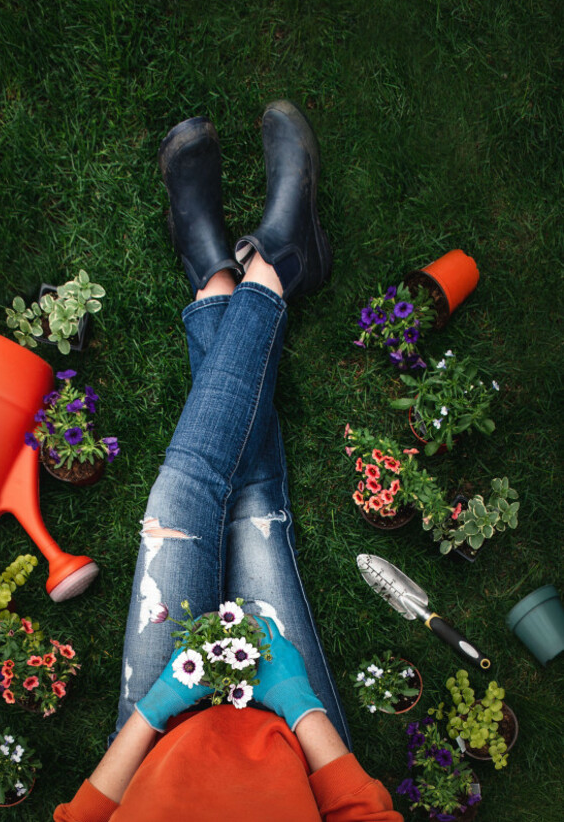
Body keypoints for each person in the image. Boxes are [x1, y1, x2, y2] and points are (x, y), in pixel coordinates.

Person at [54, 101, 403, 822]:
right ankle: (266, 268)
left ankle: (230, 276)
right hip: (290, 751)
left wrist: (153, 710)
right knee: (251, 512)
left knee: (181, 496)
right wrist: (299, 701)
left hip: (155, 746)